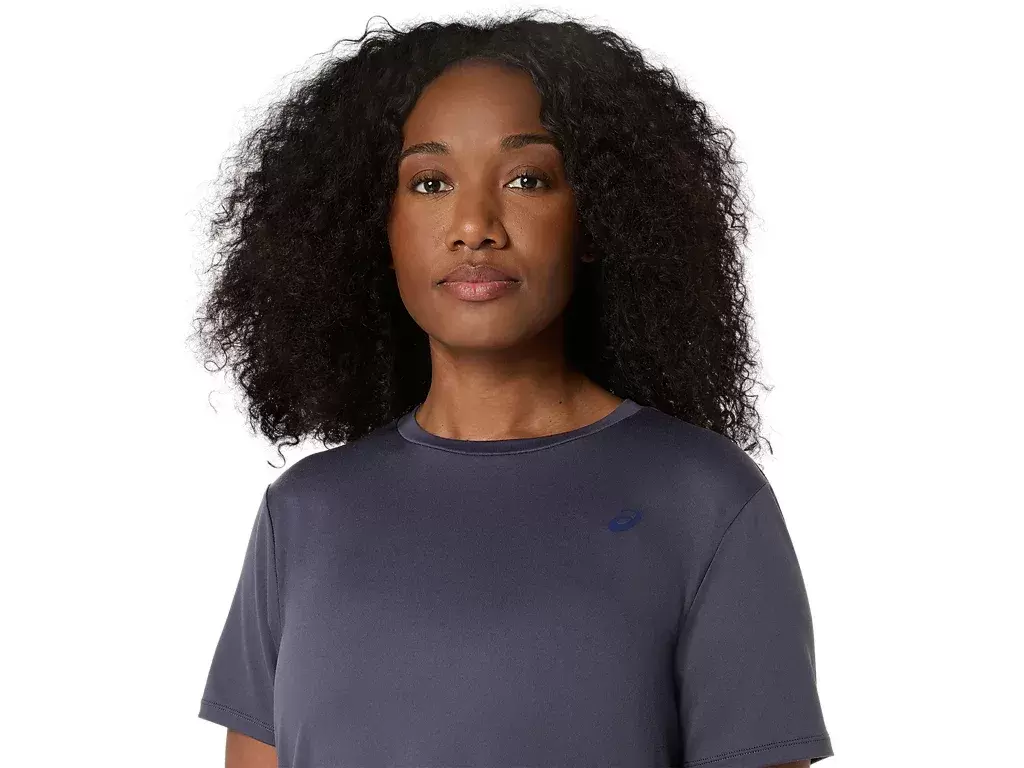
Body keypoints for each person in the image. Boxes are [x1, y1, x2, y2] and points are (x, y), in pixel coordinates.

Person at [191, 10, 834, 768]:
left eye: (527, 179)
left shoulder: (705, 501)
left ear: (595, 217)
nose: (474, 226)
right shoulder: (304, 514)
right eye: (430, 183)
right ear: (377, 226)